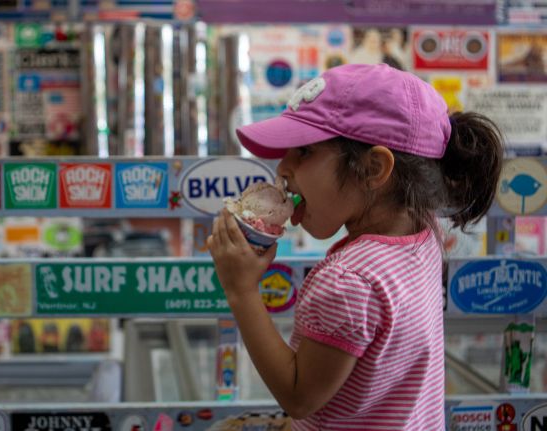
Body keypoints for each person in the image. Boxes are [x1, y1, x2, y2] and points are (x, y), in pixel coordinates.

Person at [207, 63, 504, 429]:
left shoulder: (348, 281)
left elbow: (299, 396)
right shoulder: (423, 236)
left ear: (374, 168)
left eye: (303, 152)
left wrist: (241, 290)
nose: (282, 168)